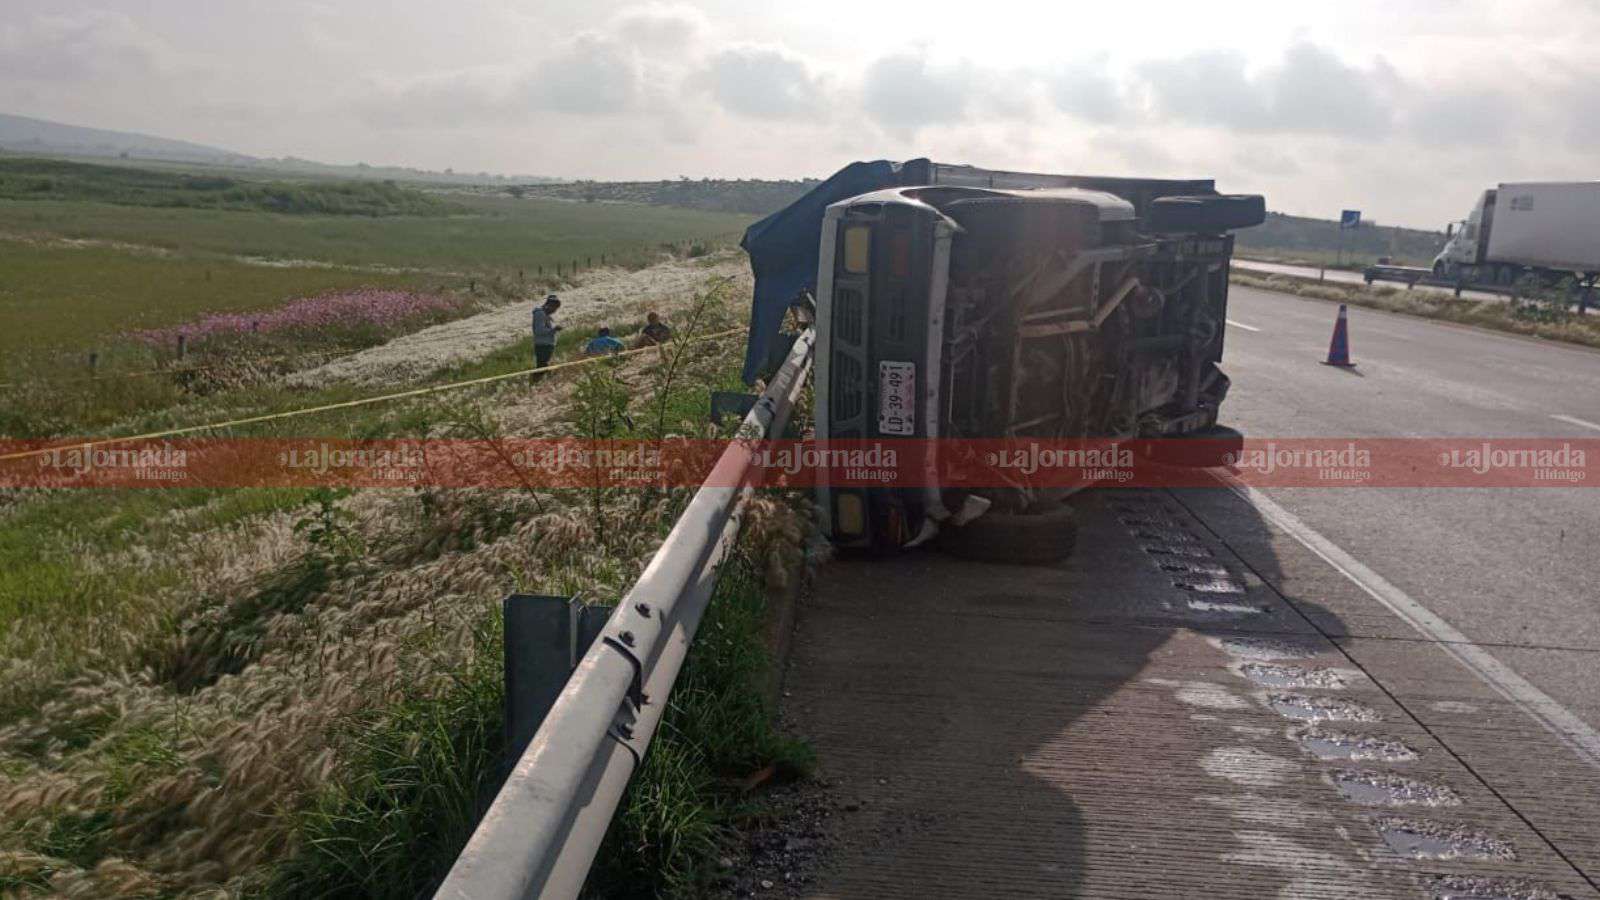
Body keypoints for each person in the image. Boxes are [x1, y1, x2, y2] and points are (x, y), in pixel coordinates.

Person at [531, 295, 562, 369]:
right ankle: (535, 380)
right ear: (549, 305)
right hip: (543, 346)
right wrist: (554, 330)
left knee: (544, 367)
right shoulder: (540, 314)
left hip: (547, 346)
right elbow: (539, 331)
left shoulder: (546, 315)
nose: (554, 311)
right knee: (542, 368)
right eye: (554, 308)